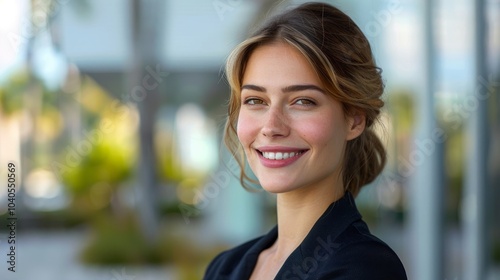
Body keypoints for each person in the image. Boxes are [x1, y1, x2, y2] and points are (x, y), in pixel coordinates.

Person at [203, 2, 407, 279]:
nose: (271, 127)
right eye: (255, 100)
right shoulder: (224, 268)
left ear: (354, 120)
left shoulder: (365, 268)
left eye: (302, 101)